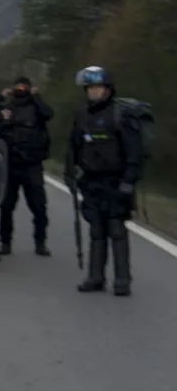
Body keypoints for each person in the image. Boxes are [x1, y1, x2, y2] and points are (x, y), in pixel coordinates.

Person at [70, 66, 142, 296]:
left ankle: (122, 279)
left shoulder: (121, 115)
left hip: (116, 181)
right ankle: (95, 277)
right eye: (90, 88)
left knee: (116, 229)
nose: (94, 92)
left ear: (108, 89)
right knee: (96, 230)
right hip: (92, 182)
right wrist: (70, 173)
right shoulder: (82, 115)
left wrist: (129, 181)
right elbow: (74, 147)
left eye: (98, 88)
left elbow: (134, 152)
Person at [0, 76, 54, 256]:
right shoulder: (6, 108)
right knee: (6, 207)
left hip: (32, 164)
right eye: (17, 87)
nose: (20, 90)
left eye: (24, 87)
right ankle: (5, 243)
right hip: (11, 164)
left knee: (39, 206)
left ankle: (40, 242)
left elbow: (49, 114)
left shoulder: (37, 109)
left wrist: (37, 97)